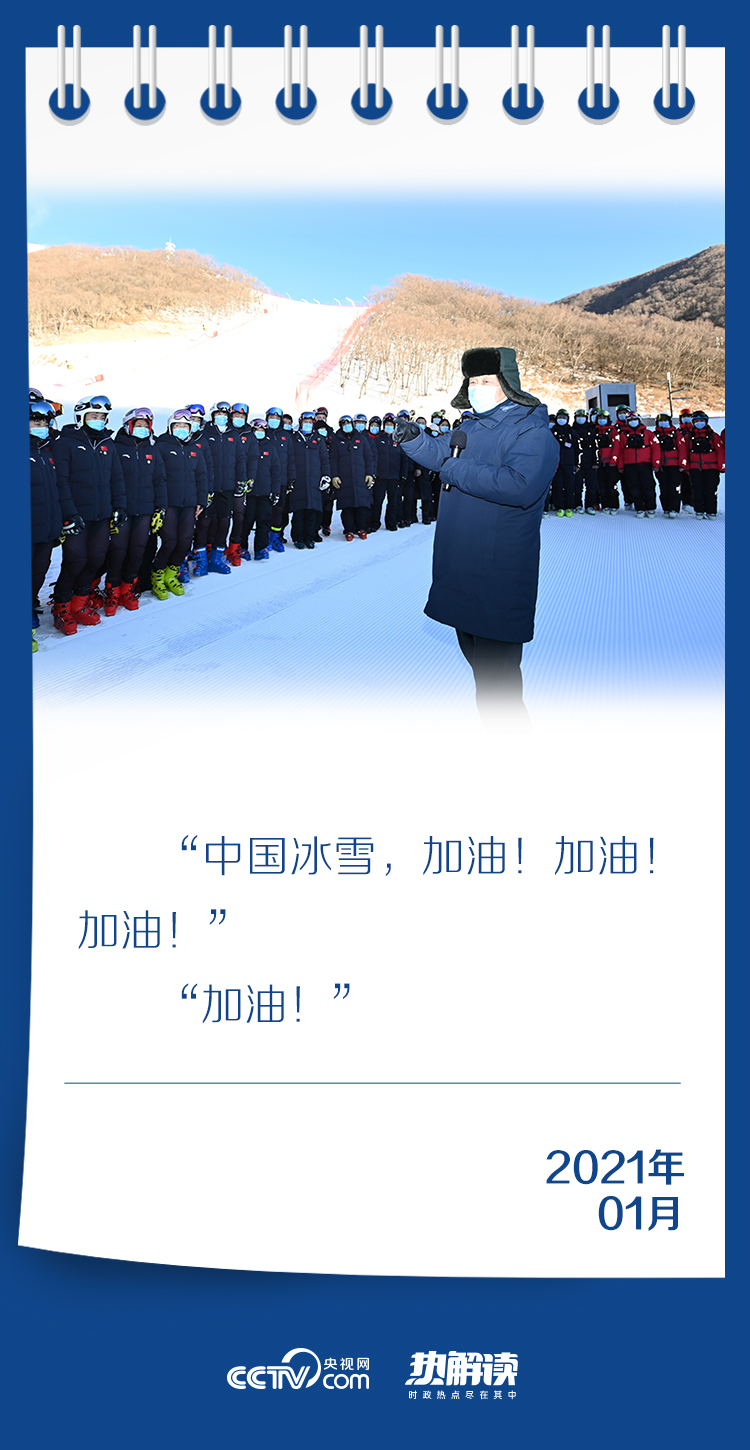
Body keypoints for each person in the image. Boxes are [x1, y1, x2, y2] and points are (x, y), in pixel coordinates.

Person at [394, 346, 559, 725]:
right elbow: (442, 453)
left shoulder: (532, 432)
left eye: (486, 381)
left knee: (498, 686)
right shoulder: (469, 427)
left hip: (498, 570)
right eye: (472, 382)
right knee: (480, 669)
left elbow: (519, 486)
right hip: (461, 563)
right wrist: (414, 439)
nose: (477, 388)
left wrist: (454, 470)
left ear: (508, 384)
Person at [51, 393, 127, 629]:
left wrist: (119, 506)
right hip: (77, 515)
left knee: (96, 559)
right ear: (81, 416)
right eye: (93, 415)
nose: (99, 420)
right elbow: (61, 481)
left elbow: (116, 478)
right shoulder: (65, 442)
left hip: (101, 515)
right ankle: (61, 606)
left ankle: (79, 603)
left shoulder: (107, 444)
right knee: (75, 560)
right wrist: (68, 513)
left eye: (102, 416)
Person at [101, 407, 168, 610]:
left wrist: (160, 508)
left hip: (145, 511)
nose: (142, 428)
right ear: (128, 425)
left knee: (137, 551)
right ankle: (112, 591)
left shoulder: (152, 450)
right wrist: (112, 507)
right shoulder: (115, 448)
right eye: (138, 425)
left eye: (146, 426)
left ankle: (127, 589)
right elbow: (108, 479)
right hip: (122, 511)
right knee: (118, 551)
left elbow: (160, 481)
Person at [30, 397, 76, 646]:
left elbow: (58, 490)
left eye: (44, 423)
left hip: (47, 529)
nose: (41, 426)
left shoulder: (46, 452)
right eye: (35, 422)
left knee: (39, 573)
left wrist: (63, 519)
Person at [152, 409, 207, 598]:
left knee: (185, 542)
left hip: (189, 503)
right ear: (170, 427)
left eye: (185, 425)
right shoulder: (161, 446)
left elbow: (202, 476)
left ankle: (171, 575)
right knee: (169, 541)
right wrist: (159, 504)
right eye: (177, 425)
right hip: (169, 503)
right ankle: (157, 576)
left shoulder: (195, 449)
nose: (181, 428)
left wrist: (201, 501)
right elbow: (156, 477)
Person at [289, 411, 331, 548]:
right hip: (299, 480)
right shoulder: (294, 438)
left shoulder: (318, 439)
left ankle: (309, 536)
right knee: (299, 511)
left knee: (312, 511)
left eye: (310, 422)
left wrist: (326, 476)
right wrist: (291, 477)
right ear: (300, 422)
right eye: (305, 422)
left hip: (314, 480)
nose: (307, 424)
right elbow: (290, 459)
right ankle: (298, 538)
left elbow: (324, 459)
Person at [331, 414, 376, 538]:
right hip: (344, 479)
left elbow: (369, 457)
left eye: (349, 424)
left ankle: (361, 528)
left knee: (362, 506)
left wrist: (369, 474)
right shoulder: (336, 440)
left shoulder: (361, 439)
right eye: (344, 424)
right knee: (347, 507)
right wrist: (334, 476)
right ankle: (349, 530)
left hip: (360, 478)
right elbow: (333, 459)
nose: (347, 426)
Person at [243, 418, 281, 558]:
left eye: (262, 430)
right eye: (257, 430)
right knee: (246, 521)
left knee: (264, 521)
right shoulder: (246, 445)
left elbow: (276, 471)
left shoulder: (270, 447)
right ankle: (242, 547)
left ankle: (261, 548)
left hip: (265, 492)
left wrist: (275, 491)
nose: (259, 432)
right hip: (249, 492)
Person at [616, 412, 660, 518]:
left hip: (645, 464)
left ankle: (650, 507)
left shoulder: (648, 433)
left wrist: (656, 463)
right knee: (634, 487)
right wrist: (620, 465)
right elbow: (620, 451)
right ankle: (639, 507)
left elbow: (656, 449)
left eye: (635, 419)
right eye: (630, 420)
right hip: (629, 465)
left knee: (648, 486)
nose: (633, 422)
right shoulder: (623, 435)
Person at [682, 411, 724, 519]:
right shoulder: (688, 437)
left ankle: (711, 511)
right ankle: (699, 511)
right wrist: (686, 467)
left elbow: (720, 451)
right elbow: (684, 452)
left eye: (701, 420)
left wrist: (721, 466)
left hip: (711, 468)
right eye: (697, 421)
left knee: (711, 490)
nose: (699, 423)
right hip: (695, 468)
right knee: (697, 490)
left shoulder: (714, 436)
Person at [265, 405, 296, 553]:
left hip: (281, 480)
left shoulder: (286, 436)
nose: (274, 420)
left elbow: (291, 458)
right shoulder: (262, 433)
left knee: (279, 510)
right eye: (271, 417)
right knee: (265, 511)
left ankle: (275, 537)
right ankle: (264, 538)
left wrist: (291, 478)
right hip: (265, 480)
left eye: (277, 418)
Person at [653, 413, 687, 517]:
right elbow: (653, 450)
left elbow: (682, 449)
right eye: (661, 421)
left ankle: (674, 508)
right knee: (663, 487)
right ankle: (666, 508)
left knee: (674, 487)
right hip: (661, 466)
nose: (663, 423)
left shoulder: (676, 434)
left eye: (665, 420)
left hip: (674, 465)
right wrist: (655, 464)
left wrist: (682, 464)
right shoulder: (655, 435)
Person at [550, 408, 581, 516]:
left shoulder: (572, 432)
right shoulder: (552, 432)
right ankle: (559, 507)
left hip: (569, 463)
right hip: (556, 464)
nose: (561, 420)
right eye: (560, 417)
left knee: (570, 486)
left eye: (564, 418)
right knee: (558, 486)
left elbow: (578, 449)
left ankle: (569, 506)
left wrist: (577, 464)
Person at [593, 410, 620, 513]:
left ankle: (614, 505)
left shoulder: (613, 431)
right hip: (600, 463)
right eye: (600, 418)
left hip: (610, 463)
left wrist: (614, 460)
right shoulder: (595, 431)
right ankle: (605, 504)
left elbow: (617, 446)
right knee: (602, 485)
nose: (602, 420)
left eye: (604, 418)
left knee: (611, 485)